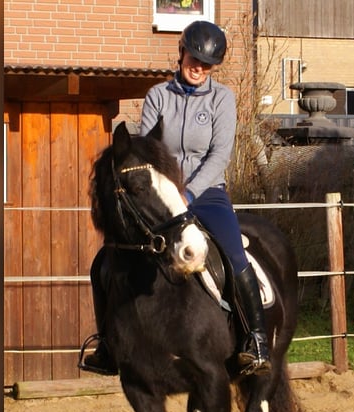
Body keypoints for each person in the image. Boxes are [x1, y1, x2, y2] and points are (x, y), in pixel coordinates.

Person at [80, 20, 270, 376]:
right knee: (103, 262)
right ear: (181, 53)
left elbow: (220, 154)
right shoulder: (158, 96)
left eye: (207, 64)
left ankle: (255, 338)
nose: (198, 68)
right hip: (163, 196)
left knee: (233, 252)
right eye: (193, 58)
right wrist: (165, 190)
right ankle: (108, 345)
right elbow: (146, 147)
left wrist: (191, 191)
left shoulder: (222, 99)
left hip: (207, 193)